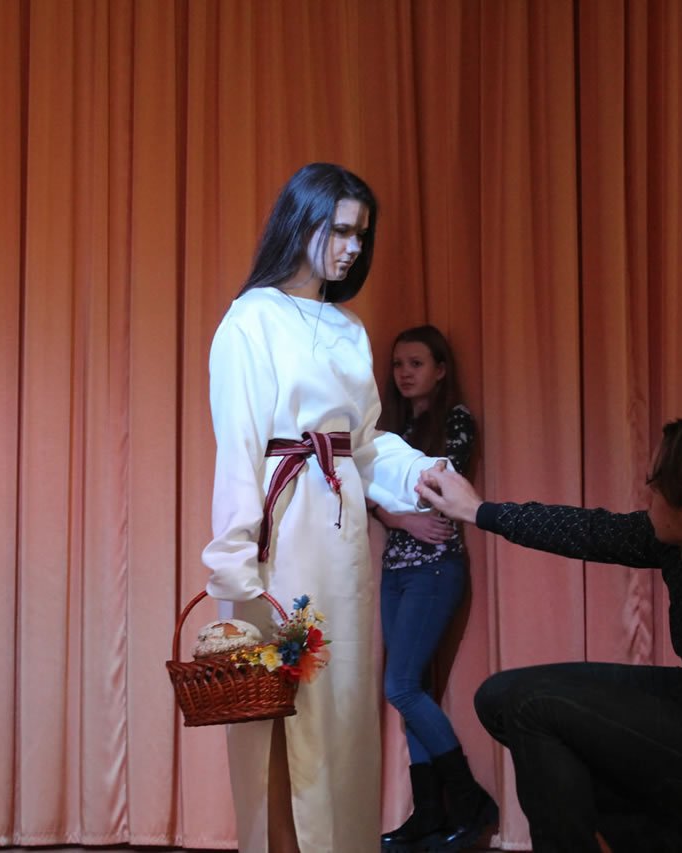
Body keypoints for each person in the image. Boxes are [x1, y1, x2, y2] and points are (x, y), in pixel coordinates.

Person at [415, 415, 682, 852]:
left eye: (653, 486)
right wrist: (478, 511)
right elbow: (592, 532)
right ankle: (669, 846)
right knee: (499, 698)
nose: (645, 496)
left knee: (533, 707)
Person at [203, 162, 451, 853]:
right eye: (340, 230)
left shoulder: (349, 328)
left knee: (340, 711)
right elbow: (239, 447)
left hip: (340, 544)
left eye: (361, 235)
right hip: (278, 540)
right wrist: (234, 559)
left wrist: (424, 471)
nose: (352, 248)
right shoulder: (251, 319)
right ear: (302, 221)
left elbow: (363, 447)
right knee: (279, 715)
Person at [372, 326, 496, 851]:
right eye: (398, 363)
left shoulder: (455, 420)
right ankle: (427, 814)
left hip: (435, 568)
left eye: (416, 363)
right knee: (411, 688)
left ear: (440, 370)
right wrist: (397, 518)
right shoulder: (388, 428)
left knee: (400, 686)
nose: (404, 373)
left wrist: (398, 507)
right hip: (396, 568)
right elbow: (366, 494)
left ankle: (469, 800)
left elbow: (439, 490)